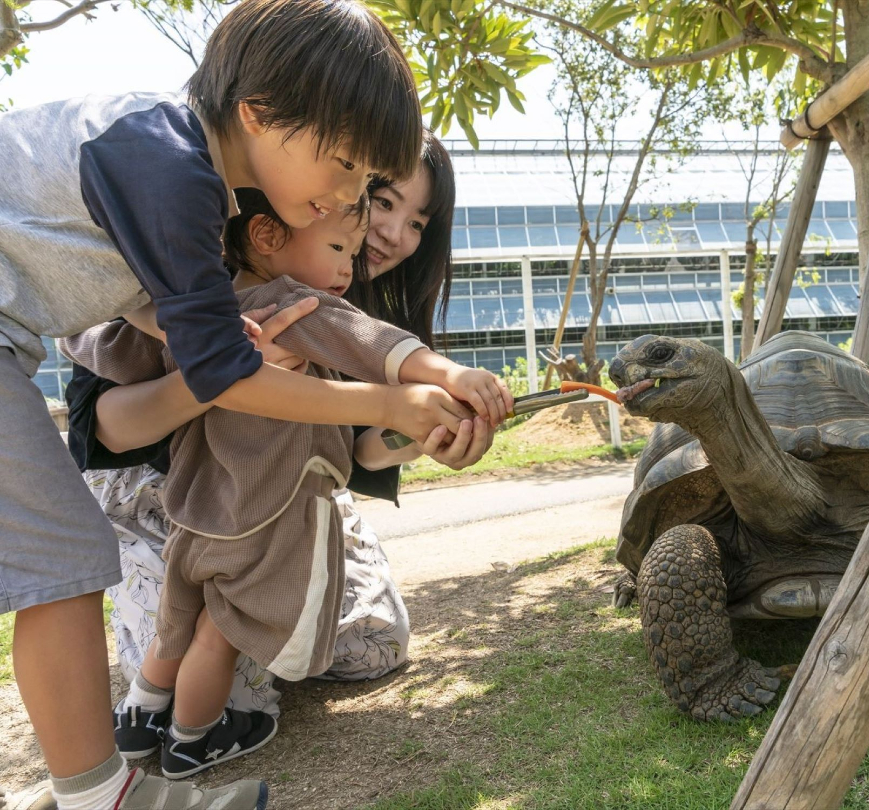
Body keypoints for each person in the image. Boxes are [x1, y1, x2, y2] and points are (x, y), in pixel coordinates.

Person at [0, 1, 498, 807]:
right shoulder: (170, 165)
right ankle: (101, 796)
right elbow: (221, 374)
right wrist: (393, 399)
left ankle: (90, 791)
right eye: (343, 169)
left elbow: (147, 309)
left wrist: (403, 413)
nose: (350, 199)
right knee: (63, 562)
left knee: (63, 564)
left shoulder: (181, 175)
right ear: (261, 116)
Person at [61, 160, 505, 776]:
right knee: (214, 638)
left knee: (360, 643)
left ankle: (154, 719)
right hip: (158, 488)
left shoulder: (325, 285)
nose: (391, 235)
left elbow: (357, 447)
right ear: (300, 203)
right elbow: (101, 402)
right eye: (380, 202)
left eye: (418, 223)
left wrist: (421, 435)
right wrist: (222, 371)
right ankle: (192, 735)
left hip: (255, 496)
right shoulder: (206, 279)